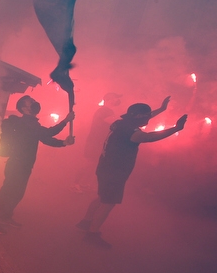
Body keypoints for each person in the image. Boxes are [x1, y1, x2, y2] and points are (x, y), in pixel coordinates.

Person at [77, 102, 186, 248]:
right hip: (114, 172)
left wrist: (161, 109)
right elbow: (149, 137)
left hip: (105, 167)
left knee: (102, 197)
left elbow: (143, 118)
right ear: (140, 117)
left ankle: (86, 222)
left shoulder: (121, 123)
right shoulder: (132, 132)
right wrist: (176, 128)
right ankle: (92, 233)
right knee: (108, 203)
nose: (148, 119)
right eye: (146, 117)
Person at [0, 95, 75, 233]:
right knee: (7, 192)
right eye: (31, 103)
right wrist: (65, 121)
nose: (35, 104)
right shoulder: (25, 123)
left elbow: (45, 138)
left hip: (25, 164)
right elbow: (48, 132)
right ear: (24, 108)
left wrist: (63, 143)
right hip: (16, 164)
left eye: (34, 101)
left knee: (17, 193)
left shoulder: (32, 124)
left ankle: (5, 216)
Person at [71, 92, 123, 192]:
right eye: (115, 98)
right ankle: (75, 184)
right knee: (88, 164)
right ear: (108, 99)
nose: (117, 100)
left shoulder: (107, 111)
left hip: (99, 142)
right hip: (94, 142)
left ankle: (83, 183)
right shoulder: (104, 111)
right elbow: (114, 123)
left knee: (94, 164)